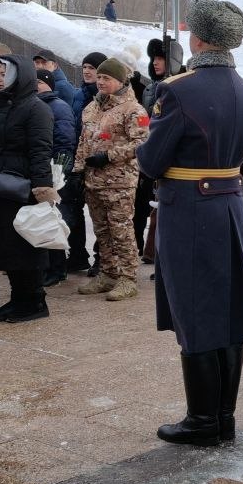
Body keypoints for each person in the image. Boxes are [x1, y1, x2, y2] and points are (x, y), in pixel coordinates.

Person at [137, 0, 243, 447]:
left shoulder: (179, 89)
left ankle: (203, 420)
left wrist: (140, 145)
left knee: (195, 309)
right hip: (229, 204)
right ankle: (222, 416)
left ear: (200, 37)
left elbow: (152, 161)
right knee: (227, 309)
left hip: (188, 207)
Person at [0, 54, 57, 322]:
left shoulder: (36, 109)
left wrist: (43, 192)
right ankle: (19, 297)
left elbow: (40, 152)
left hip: (20, 188)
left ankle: (34, 300)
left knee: (23, 246)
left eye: (5, 73)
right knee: (4, 246)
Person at [73, 58, 149, 301]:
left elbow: (142, 143)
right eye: (100, 77)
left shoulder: (134, 110)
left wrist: (109, 156)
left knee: (122, 230)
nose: (101, 82)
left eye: (107, 78)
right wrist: (77, 171)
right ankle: (108, 273)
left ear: (120, 81)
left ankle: (128, 278)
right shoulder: (91, 108)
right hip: (94, 181)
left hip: (119, 182)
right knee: (102, 230)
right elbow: (83, 142)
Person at [35, 69, 76, 287]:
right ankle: (45, 266)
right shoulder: (31, 105)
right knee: (41, 220)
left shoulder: (59, 107)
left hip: (54, 173)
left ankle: (57, 268)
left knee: (55, 220)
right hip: (38, 171)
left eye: (40, 82)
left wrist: (59, 171)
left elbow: (64, 141)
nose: (36, 85)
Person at [65, 52, 104, 275]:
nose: (87, 71)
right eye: (85, 67)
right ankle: (78, 254)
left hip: (101, 164)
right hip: (78, 160)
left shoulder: (109, 98)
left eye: (92, 67)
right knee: (74, 208)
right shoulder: (78, 95)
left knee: (100, 214)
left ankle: (101, 259)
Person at [136, 39, 171, 260]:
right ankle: (141, 247)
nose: (156, 63)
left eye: (160, 59)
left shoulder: (177, 84)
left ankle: (156, 252)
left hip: (165, 154)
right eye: (154, 59)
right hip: (147, 149)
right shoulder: (149, 88)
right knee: (141, 204)